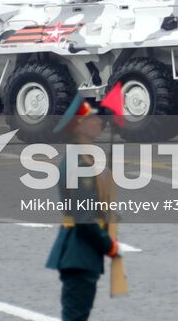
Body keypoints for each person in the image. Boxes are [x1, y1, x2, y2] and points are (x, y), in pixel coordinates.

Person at [46, 96, 121, 321]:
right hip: (79, 252)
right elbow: (84, 219)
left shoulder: (83, 159)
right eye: (93, 118)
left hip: (79, 252)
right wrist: (109, 245)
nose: (99, 121)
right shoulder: (80, 164)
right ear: (79, 126)